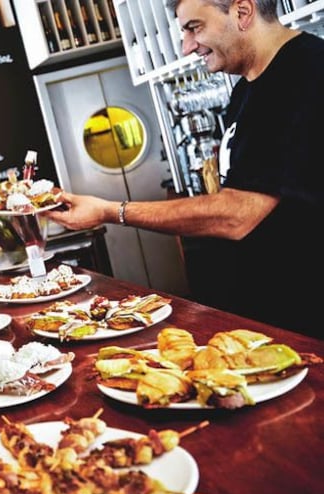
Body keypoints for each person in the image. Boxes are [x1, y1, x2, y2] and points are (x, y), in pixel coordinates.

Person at [43, 0, 324, 339]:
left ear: (243, 12)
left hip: (310, 322)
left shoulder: (305, 73)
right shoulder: (248, 90)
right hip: (274, 317)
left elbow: (237, 214)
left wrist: (110, 211)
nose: (187, 47)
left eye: (194, 28)